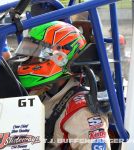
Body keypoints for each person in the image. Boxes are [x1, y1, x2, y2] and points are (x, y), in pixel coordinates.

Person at [15, 21, 111, 150]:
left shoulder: (82, 111)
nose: (27, 61)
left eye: (34, 55)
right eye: (27, 54)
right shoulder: (41, 91)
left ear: (60, 58)